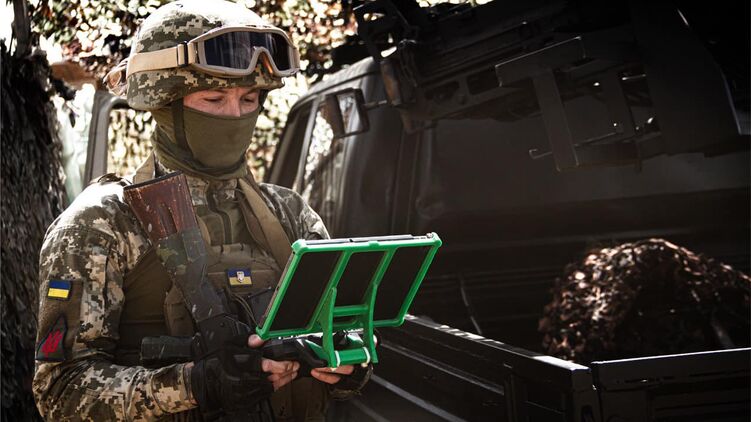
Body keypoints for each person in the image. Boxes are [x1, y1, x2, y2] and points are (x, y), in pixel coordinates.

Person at [32, 1, 371, 421]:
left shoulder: (290, 214)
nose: (236, 115)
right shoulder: (103, 224)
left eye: (249, 98)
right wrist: (195, 384)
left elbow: (343, 336)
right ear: (163, 103)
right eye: (214, 98)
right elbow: (60, 392)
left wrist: (347, 364)